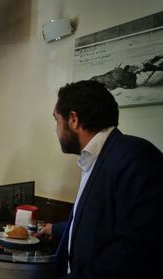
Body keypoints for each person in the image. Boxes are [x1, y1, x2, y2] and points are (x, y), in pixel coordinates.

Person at [35, 80, 163, 278]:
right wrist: (58, 229)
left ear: (73, 119)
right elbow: (100, 220)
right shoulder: (97, 157)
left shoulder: (136, 157)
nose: (56, 129)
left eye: (56, 120)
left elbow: (134, 250)